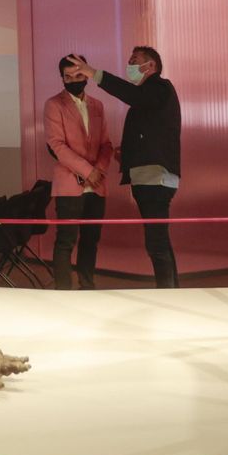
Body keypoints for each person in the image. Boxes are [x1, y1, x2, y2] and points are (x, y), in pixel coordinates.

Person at [65, 47, 181, 288]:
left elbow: (131, 95)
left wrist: (94, 73)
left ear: (150, 66)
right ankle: (171, 290)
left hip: (155, 180)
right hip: (147, 178)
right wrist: (126, 155)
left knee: (156, 244)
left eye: (134, 60)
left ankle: (168, 293)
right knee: (160, 242)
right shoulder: (148, 97)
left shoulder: (159, 88)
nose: (129, 64)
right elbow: (150, 132)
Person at [43, 56, 112, 290]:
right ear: (61, 78)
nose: (73, 80)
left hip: (98, 184)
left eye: (78, 75)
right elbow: (57, 145)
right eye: (68, 77)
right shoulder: (53, 104)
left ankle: (87, 287)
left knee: (91, 241)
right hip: (68, 184)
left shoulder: (97, 105)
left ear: (86, 75)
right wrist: (87, 171)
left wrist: (98, 171)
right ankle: (62, 291)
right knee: (66, 241)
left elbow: (106, 144)